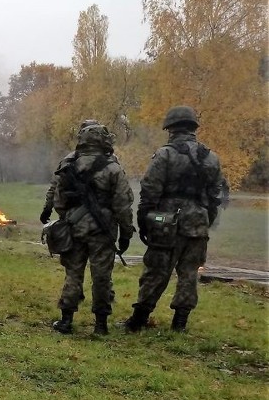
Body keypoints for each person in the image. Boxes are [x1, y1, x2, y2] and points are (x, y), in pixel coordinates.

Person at [125, 106, 225, 332]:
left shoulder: (165, 154)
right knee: (189, 274)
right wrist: (205, 218)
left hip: (167, 223)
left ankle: (138, 320)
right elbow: (215, 194)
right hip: (198, 224)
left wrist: (144, 219)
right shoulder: (211, 157)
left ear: (170, 129)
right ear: (193, 128)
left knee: (156, 271)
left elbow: (150, 190)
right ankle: (180, 322)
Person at [51, 123, 134, 335]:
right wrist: (125, 233)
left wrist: (69, 218)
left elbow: (59, 201)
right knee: (102, 277)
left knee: (73, 274)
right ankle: (100, 325)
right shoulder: (113, 168)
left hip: (74, 228)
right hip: (102, 231)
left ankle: (66, 321)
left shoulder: (69, 165)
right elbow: (123, 205)